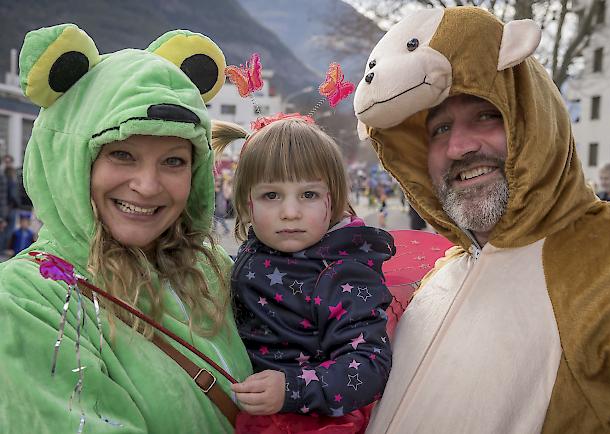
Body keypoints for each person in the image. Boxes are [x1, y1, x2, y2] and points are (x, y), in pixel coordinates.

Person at [353, 6, 610, 433]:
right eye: (439, 129)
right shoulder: (440, 274)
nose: (459, 147)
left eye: (486, 115)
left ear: (532, 116)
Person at [0, 24, 252, 433]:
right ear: (71, 159)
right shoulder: (25, 301)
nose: (148, 186)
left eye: (173, 161)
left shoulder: (211, 270)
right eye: (121, 154)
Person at [212, 117, 394, 433]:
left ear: (334, 199)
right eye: (271, 195)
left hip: (307, 421)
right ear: (246, 202)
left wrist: (293, 389)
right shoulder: (259, 247)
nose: (290, 212)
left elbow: (370, 364)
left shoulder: (341, 274)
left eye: (308, 195)